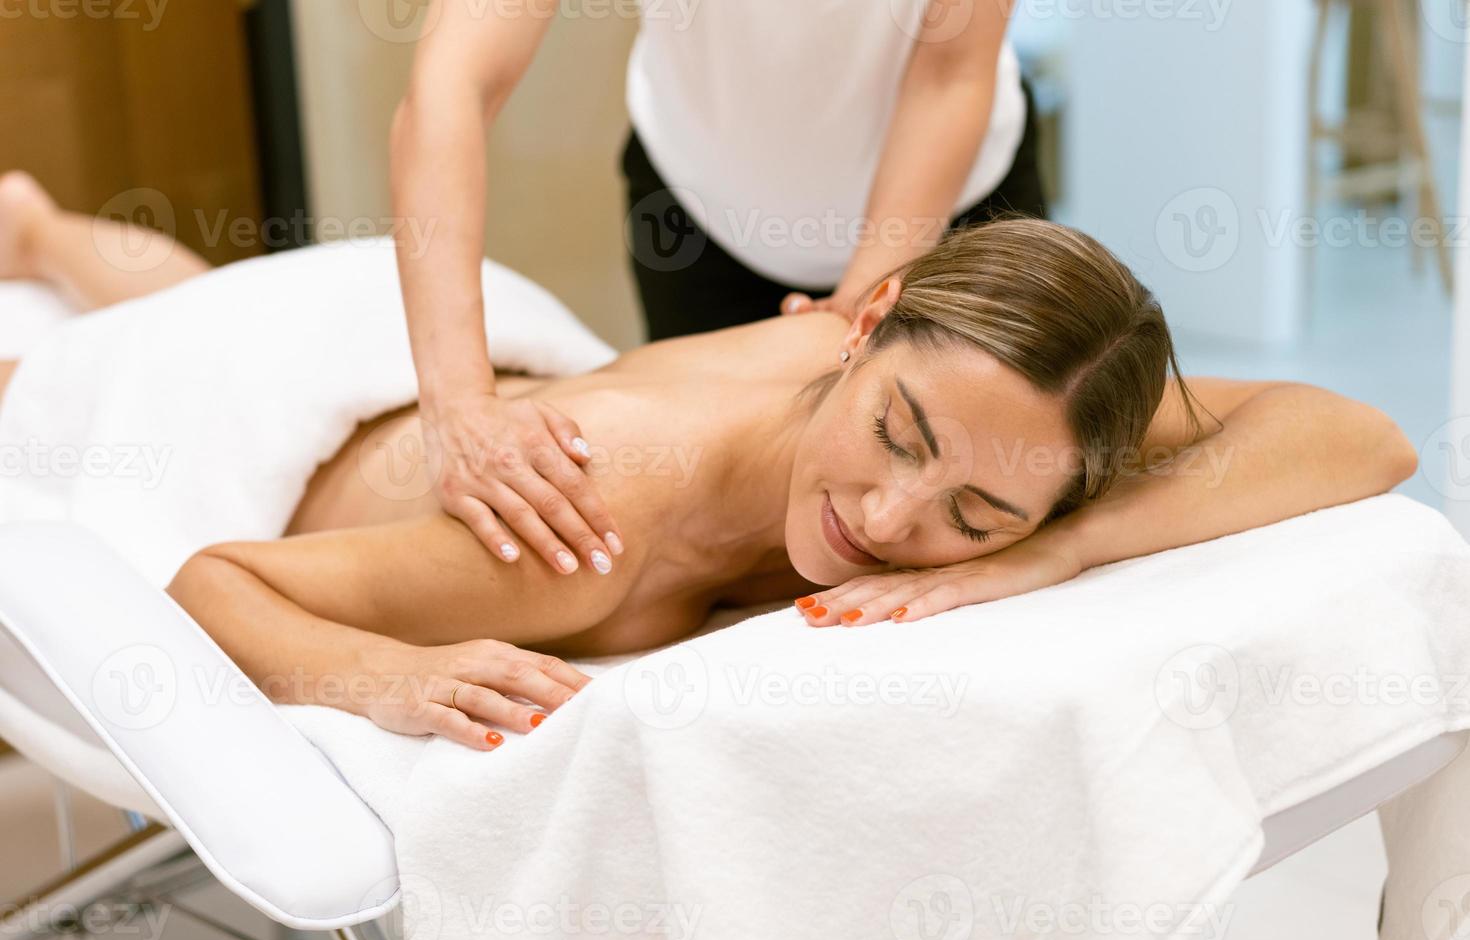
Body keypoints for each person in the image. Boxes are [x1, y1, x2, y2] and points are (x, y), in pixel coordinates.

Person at [0, 171, 1418, 754]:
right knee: (51, 372)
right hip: (281, 398)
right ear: (860, 324)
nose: (887, 515)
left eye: (974, 513)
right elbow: (211, 583)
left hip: (449, 350)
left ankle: (48, 232)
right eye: (895, 438)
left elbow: (1362, 435)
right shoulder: (589, 535)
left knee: (181, 285)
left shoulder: (1004, 396)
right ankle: (46, 252)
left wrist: (1049, 552)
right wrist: (391, 677)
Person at [388, 0, 1044, 584]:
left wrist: (865, 296)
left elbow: (949, 74)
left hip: (948, 205)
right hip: (703, 208)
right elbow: (455, 82)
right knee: (702, 534)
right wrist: (459, 404)